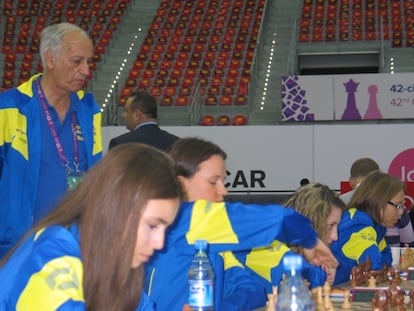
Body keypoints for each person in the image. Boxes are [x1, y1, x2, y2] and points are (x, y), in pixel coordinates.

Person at [145, 137, 338, 310]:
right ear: (181, 184)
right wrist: (311, 240)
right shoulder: (183, 220)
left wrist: (221, 308)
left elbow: (251, 290)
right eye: (213, 182)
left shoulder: (212, 242)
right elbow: (281, 219)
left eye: (224, 181)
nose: (223, 191)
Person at [0, 143, 182, 310]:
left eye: (165, 229)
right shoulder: (53, 250)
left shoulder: (116, 262)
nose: (159, 243)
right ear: (116, 208)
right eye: (152, 226)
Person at [0, 22, 103, 258]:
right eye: (77, 61)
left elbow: (96, 177)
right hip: (17, 249)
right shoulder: (9, 108)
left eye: (88, 62)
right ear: (50, 59)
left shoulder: (90, 112)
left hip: (73, 246)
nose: (86, 71)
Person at [235, 183, 344, 293]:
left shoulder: (306, 252)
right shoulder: (270, 243)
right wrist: (323, 272)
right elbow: (295, 277)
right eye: (330, 226)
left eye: (337, 227)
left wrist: (331, 269)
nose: (335, 237)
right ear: (311, 223)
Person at [331, 171, 405, 285]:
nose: (401, 212)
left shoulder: (378, 226)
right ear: (379, 201)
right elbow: (375, 264)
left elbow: (387, 257)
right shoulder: (358, 223)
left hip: (348, 284)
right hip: (333, 289)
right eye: (398, 205)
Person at [108, 91, 179, 151]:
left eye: (126, 111)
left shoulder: (120, 144)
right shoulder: (176, 143)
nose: (123, 115)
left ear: (137, 115)